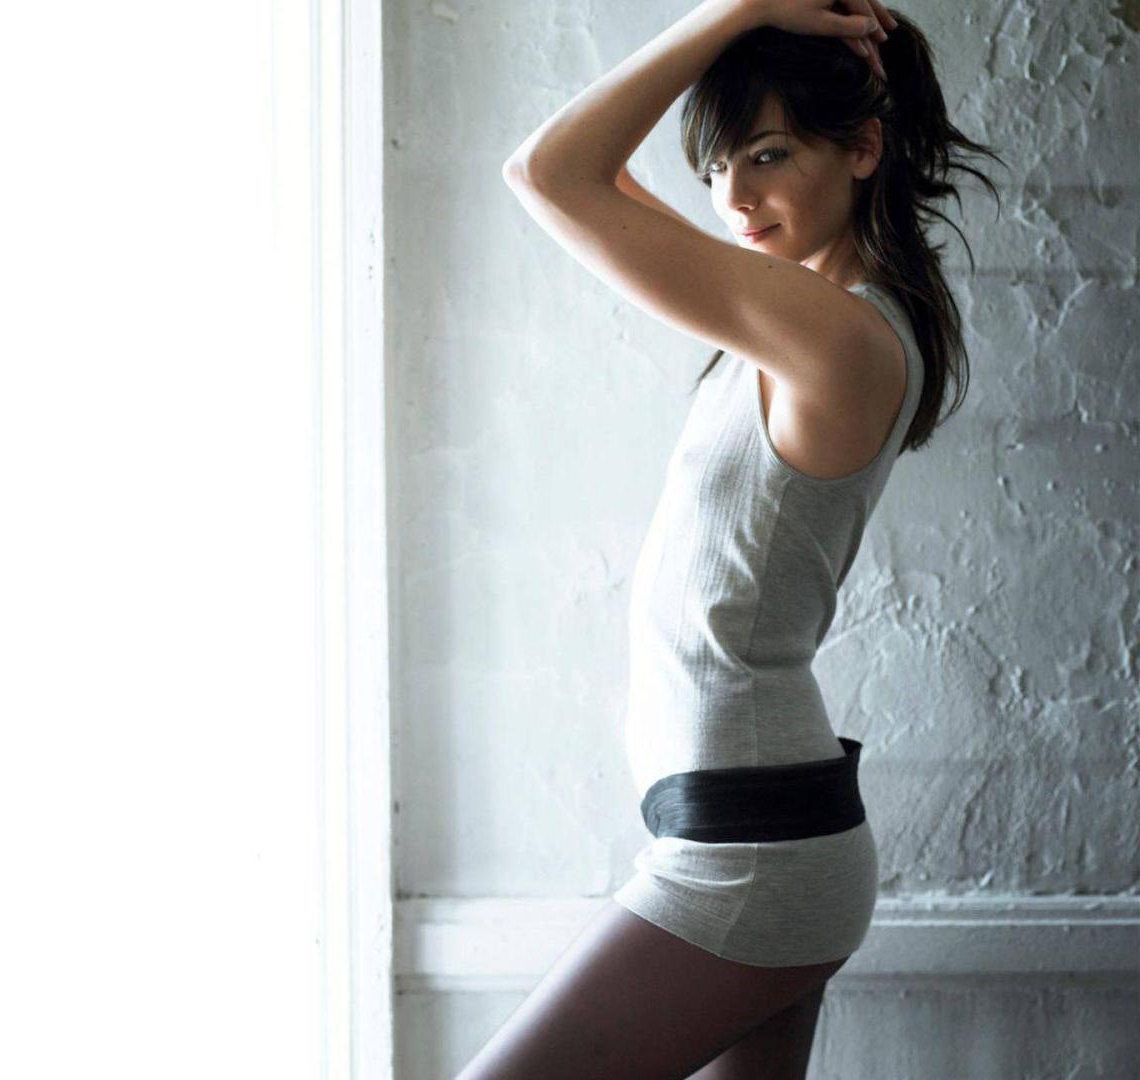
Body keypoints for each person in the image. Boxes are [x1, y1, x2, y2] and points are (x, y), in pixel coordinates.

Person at [475, 2, 1005, 1077]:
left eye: (766, 155)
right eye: (716, 168)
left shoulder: (837, 336)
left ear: (864, 148)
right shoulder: (802, 314)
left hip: (748, 854)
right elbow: (584, 175)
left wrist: (741, 9)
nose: (733, 199)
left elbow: (548, 172)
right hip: (752, 835)